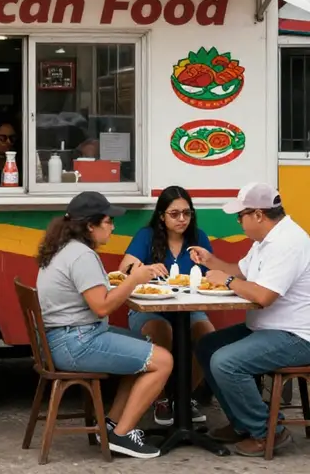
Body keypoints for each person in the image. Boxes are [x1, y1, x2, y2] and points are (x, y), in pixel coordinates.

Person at [37, 191, 173, 459]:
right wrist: (134, 279)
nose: (113, 227)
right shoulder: (82, 255)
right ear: (90, 225)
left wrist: (124, 280)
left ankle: (110, 425)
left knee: (143, 347)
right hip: (76, 342)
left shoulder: (63, 249)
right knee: (164, 360)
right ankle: (122, 436)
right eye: (109, 221)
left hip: (63, 338)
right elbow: (101, 306)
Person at [192, 183, 310, 457]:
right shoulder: (265, 242)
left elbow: (264, 295)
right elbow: (240, 272)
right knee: (207, 346)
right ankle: (242, 423)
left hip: (296, 335)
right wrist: (212, 261)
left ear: (258, 214)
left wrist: (228, 281)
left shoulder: (289, 243)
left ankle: (268, 432)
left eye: (240, 215)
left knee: (226, 362)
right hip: (266, 327)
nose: (238, 222)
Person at [119, 186, 215, 427]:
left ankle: (183, 398)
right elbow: (123, 270)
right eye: (174, 214)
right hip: (151, 309)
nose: (182, 219)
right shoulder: (147, 236)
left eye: (187, 213)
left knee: (209, 338)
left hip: (190, 308)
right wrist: (144, 270)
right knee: (162, 333)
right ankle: (160, 399)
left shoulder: (198, 238)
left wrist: (207, 266)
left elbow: (212, 275)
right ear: (161, 215)